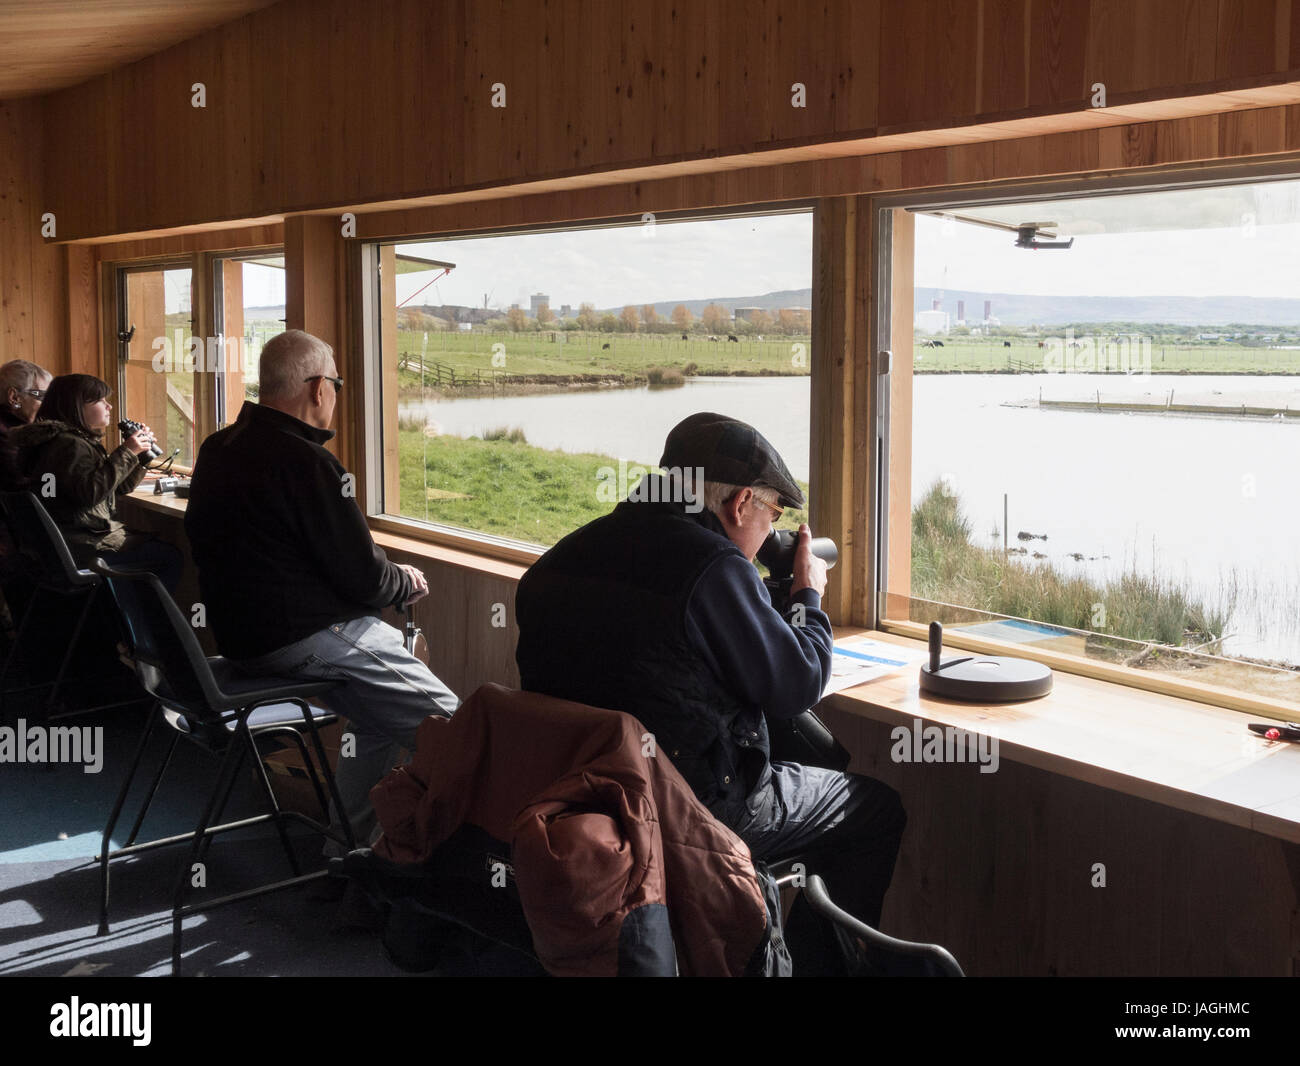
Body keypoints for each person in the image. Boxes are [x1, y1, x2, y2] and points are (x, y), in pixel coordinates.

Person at [514, 411, 907, 975]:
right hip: (692, 806)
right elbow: (797, 684)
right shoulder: (711, 565)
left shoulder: (562, 557)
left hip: (578, 798)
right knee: (873, 808)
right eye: (773, 513)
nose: (771, 532)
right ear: (741, 503)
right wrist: (807, 595)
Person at [184, 329, 459, 851]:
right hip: (307, 639)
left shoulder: (219, 448)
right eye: (335, 382)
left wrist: (378, 574)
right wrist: (405, 579)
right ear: (316, 389)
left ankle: (349, 853)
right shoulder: (308, 464)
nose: (335, 392)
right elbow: (366, 579)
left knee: (374, 723)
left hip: (244, 644)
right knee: (463, 732)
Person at [9, 373, 181, 589]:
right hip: (82, 548)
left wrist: (140, 457)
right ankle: (141, 621)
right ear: (77, 406)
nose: (108, 406)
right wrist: (127, 451)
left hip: (58, 547)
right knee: (169, 556)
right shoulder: (70, 445)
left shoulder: (56, 441)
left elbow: (118, 487)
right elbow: (91, 493)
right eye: (100, 400)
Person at [0, 359, 53, 491]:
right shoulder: (6, 434)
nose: (48, 404)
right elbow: (22, 486)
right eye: (41, 396)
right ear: (14, 397)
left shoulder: (23, 426)